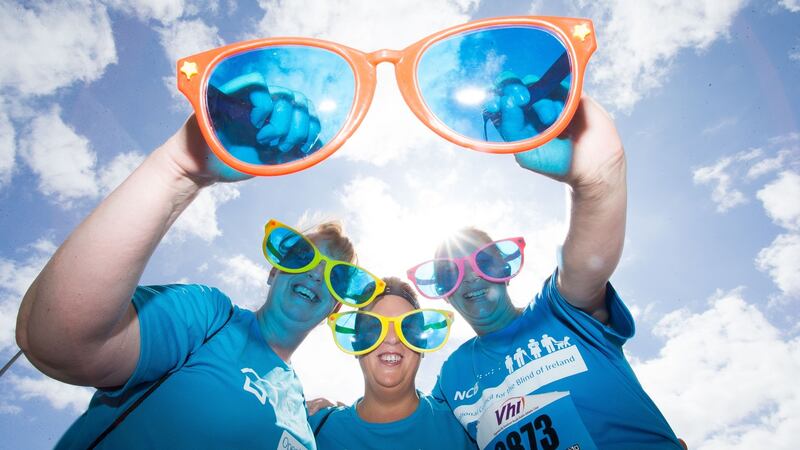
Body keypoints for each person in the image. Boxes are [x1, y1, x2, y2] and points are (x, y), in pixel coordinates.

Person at [14, 80, 381, 448]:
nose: (316, 273)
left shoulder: (302, 412)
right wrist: (182, 168)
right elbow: (59, 342)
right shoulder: (210, 318)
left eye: (339, 276)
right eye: (301, 254)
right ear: (274, 271)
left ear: (335, 307)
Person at [407, 77, 688, 449]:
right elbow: (403, 429)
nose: (471, 277)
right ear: (443, 292)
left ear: (505, 270)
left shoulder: (560, 312)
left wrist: (595, 181)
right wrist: (318, 418)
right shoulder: (453, 376)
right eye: (450, 273)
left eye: (483, 261)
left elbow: (585, 264)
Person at [307, 277, 476, 450]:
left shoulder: (464, 424)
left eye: (407, 328)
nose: (393, 339)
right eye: (374, 328)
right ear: (356, 343)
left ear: (422, 344)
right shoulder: (313, 429)